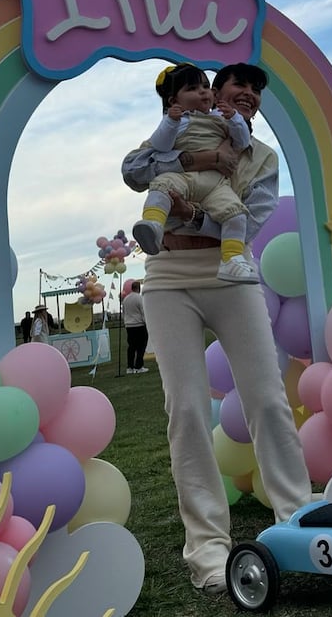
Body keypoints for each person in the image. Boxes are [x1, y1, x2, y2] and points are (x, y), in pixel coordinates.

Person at [121, 62, 311, 596]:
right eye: (237, 86)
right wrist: (182, 153)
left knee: (268, 400)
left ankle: (296, 518)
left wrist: (193, 214)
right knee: (184, 409)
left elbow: (248, 220)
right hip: (166, 280)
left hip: (232, 276)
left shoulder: (263, 157)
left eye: (255, 91)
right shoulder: (177, 132)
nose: (247, 94)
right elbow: (136, 172)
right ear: (212, 93)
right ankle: (207, 548)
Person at [131, 63, 258, 283]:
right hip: (184, 178)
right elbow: (160, 146)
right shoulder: (177, 122)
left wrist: (235, 118)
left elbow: (242, 139)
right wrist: (170, 123)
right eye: (192, 88)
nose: (203, 92)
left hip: (215, 184)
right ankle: (153, 226)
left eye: (205, 87)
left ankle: (232, 259)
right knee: (161, 187)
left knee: (236, 214)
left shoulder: (221, 117)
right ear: (174, 101)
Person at [123, 279, 149, 374]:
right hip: (139, 325)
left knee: (131, 347)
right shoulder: (139, 298)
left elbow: (124, 312)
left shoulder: (126, 299)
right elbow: (143, 312)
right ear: (138, 288)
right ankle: (139, 366)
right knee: (141, 346)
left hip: (129, 326)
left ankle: (130, 367)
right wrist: (147, 323)